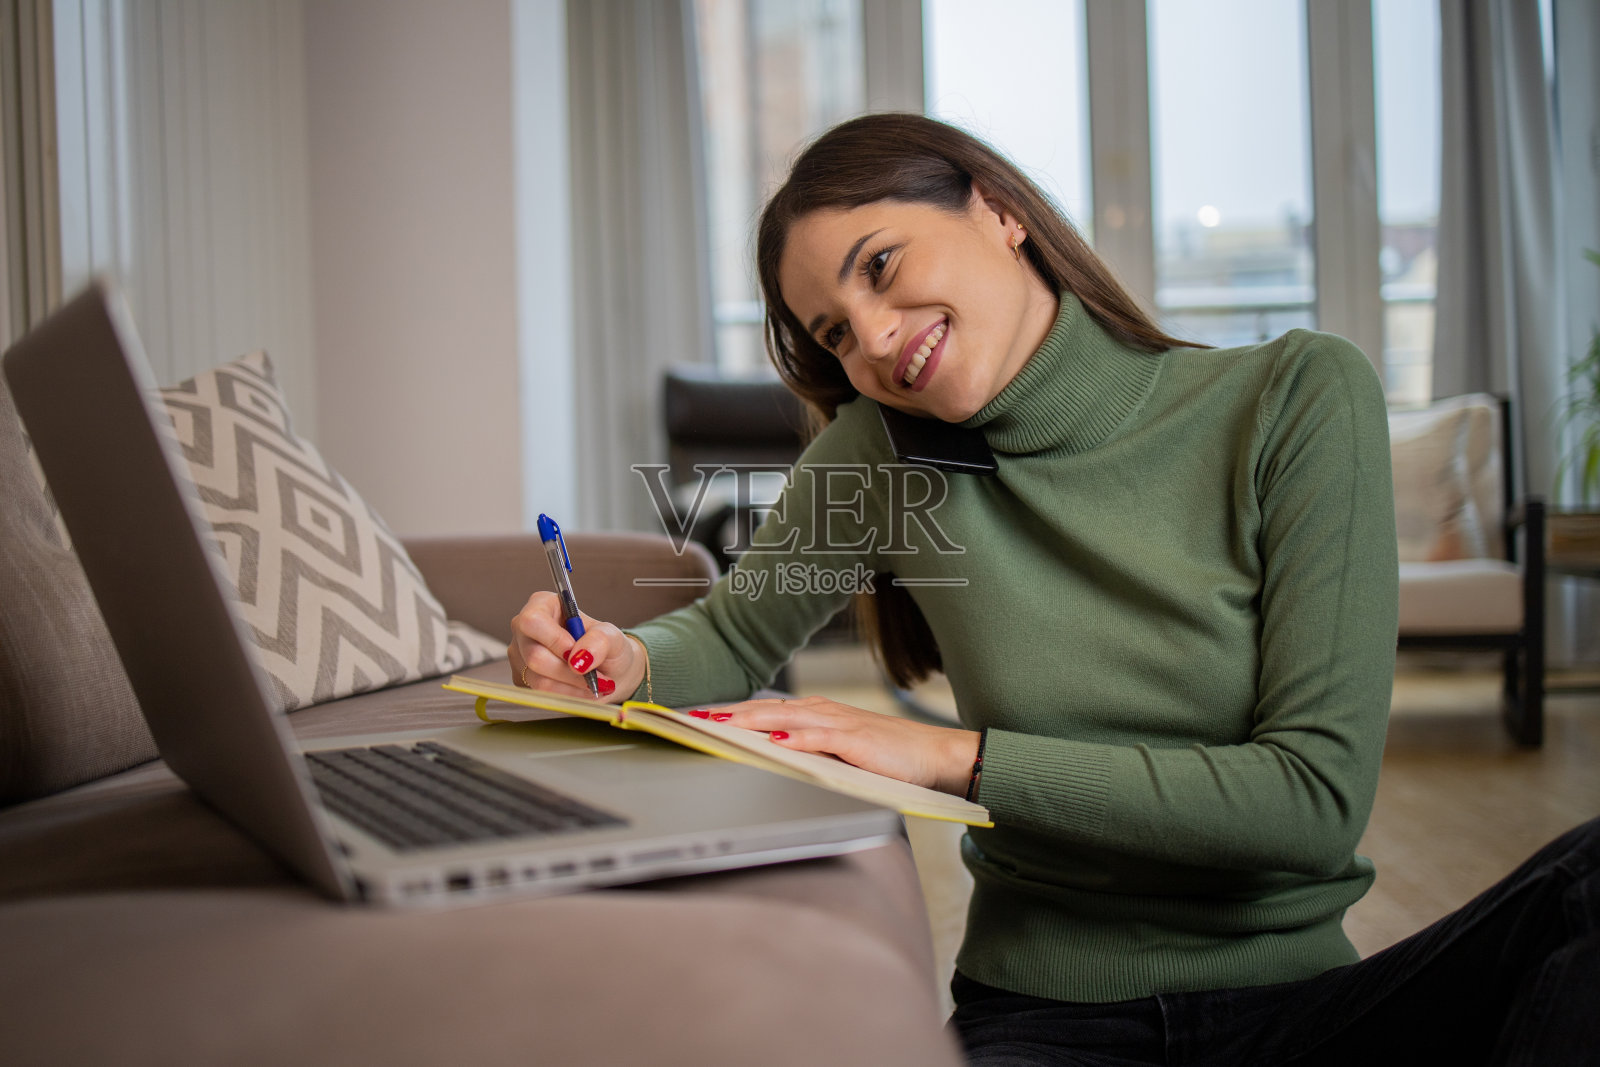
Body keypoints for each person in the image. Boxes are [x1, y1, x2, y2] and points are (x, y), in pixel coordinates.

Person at [509, 113, 1599, 1064]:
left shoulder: (1294, 398)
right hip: (1048, 1019)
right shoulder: (879, 453)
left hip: (1302, 1011)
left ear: (999, 211)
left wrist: (949, 755)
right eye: (834, 332)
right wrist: (618, 657)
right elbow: (731, 637)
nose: (873, 339)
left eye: (880, 266)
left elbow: (1309, 806)